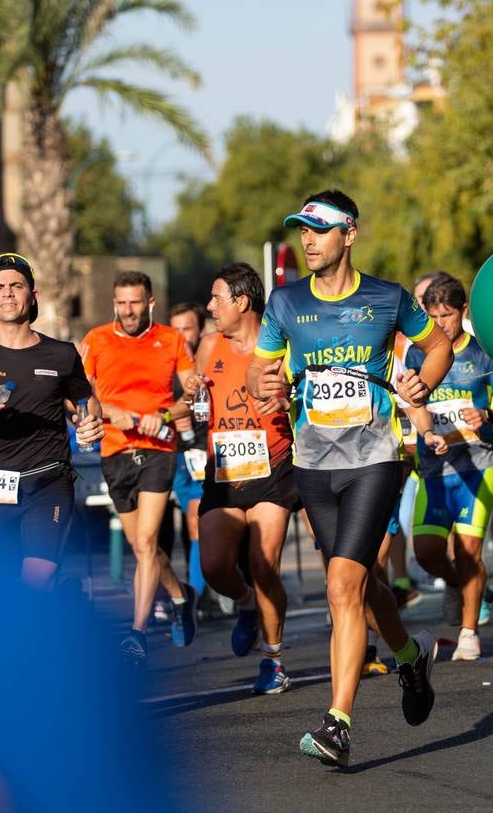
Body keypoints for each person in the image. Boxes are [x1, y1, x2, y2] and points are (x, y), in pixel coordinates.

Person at [250, 189, 452, 766]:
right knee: (361, 590)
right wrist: (264, 384)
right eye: (302, 229)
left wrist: (424, 383)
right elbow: (259, 365)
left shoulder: (387, 298)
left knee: (342, 584)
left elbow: (435, 344)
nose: (308, 238)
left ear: (350, 234)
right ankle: (411, 656)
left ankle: (337, 725)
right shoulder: (286, 303)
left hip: (374, 457)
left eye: (319, 228)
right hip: (314, 464)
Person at [0, 253, 104, 589]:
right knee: (2, 587)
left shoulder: (61, 354)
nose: (8, 293)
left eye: (17, 285)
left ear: (32, 295)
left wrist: (90, 419)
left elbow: (85, 402)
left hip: (48, 481)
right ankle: (57, 611)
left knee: (35, 580)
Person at [181, 263, 300, 694]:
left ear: (242, 302)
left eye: (217, 298)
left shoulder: (281, 348)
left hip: (272, 467)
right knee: (214, 566)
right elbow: (192, 401)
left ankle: (274, 660)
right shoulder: (209, 345)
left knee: (263, 565)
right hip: (225, 471)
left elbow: (298, 399)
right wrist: (191, 391)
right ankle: (247, 606)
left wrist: (286, 402)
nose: (210, 306)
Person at [80, 271, 197, 665]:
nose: (128, 311)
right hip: (115, 452)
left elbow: (191, 399)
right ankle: (180, 595)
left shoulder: (172, 339)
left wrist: (163, 416)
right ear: (115, 303)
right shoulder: (96, 340)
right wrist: (113, 412)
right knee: (140, 546)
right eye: (122, 303)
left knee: (146, 543)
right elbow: (76, 396)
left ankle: (137, 633)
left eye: (135, 303)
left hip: (159, 450)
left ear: (150, 303)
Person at [403, 275, 493, 661]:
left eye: (448, 315)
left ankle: (469, 632)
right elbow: (414, 402)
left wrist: (487, 412)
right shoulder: (417, 354)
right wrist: (424, 431)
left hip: (477, 465)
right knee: (426, 552)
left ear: (463, 312)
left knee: (470, 551)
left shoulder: (483, 353)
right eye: (433, 316)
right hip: (435, 466)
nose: (441, 325)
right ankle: (461, 585)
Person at [169, 301, 211, 611]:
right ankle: (184, 593)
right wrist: (172, 416)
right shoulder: (164, 364)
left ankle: (195, 596)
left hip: (205, 453)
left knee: (197, 522)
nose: (181, 336)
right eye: (175, 329)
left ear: (200, 330)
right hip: (172, 456)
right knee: (181, 527)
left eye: (187, 329)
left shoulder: (209, 362)